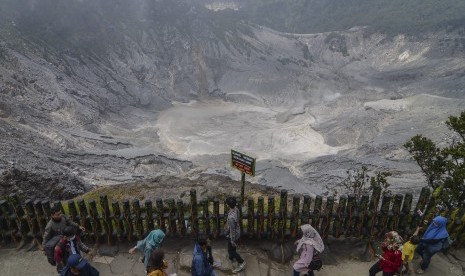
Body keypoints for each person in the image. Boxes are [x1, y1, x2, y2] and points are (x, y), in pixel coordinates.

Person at [224, 196, 246, 273]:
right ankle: (231, 257)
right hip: (237, 231)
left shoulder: (231, 218)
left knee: (232, 249)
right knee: (230, 248)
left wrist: (232, 240)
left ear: (228, 205)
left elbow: (232, 231)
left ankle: (241, 262)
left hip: (233, 235)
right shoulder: (236, 209)